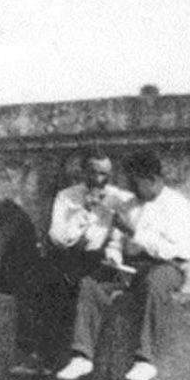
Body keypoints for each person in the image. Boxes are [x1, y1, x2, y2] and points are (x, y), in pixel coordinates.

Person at [55, 150, 190, 380]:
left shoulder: (179, 206)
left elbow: (173, 250)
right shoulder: (129, 205)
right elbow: (116, 241)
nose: (131, 187)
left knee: (154, 283)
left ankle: (145, 360)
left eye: (135, 182)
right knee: (91, 283)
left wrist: (133, 231)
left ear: (153, 179)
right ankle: (82, 355)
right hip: (132, 266)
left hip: (167, 266)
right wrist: (114, 256)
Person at [38, 149, 134, 363]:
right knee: (46, 281)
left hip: (103, 261)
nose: (99, 179)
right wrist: (85, 213)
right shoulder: (67, 197)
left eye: (105, 174)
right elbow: (58, 238)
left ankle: (80, 354)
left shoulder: (120, 199)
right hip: (71, 257)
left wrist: (114, 252)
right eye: (94, 173)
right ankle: (45, 356)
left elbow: (120, 239)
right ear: (83, 172)